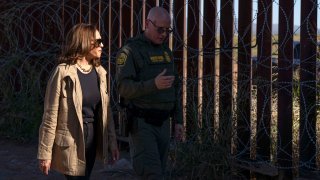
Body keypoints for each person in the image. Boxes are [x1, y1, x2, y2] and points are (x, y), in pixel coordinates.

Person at [37, 23, 119, 179]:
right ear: (85, 42)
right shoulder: (63, 73)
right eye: (98, 41)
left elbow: (106, 112)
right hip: (72, 139)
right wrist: (45, 153)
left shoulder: (100, 73)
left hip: (93, 137)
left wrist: (112, 142)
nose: (102, 45)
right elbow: (50, 115)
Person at [116, 6, 184, 179]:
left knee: (159, 172)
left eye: (167, 30)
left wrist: (178, 121)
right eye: (160, 29)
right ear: (147, 23)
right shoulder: (131, 51)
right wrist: (152, 84)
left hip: (163, 125)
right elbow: (123, 88)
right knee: (152, 174)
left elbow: (174, 88)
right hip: (143, 124)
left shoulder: (165, 52)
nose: (163, 34)